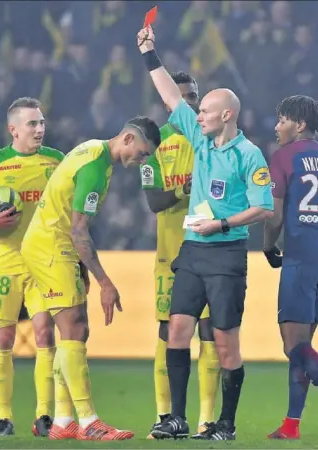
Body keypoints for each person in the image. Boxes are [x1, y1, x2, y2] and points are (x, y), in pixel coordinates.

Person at [137, 26, 274, 441]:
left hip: (227, 254)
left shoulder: (249, 155)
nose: (197, 117)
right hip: (193, 251)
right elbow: (169, 96)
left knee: (225, 343)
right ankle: (176, 419)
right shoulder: (199, 137)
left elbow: (264, 207)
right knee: (177, 330)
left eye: (205, 112)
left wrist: (223, 223)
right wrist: (149, 53)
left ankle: (225, 425)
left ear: (226, 115)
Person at [21, 117, 161, 440]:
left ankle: (62, 420)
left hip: (50, 243)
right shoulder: (97, 168)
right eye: (142, 153)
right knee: (74, 328)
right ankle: (89, 421)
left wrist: (81, 268)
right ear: (128, 138)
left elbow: (67, 210)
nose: (142, 161)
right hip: (52, 246)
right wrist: (105, 282)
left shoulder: (93, 150)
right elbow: (78, 228)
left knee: (72, 328)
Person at [0, 97, 65, 437]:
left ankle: (44, 416)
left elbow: (69, 207)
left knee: (44, 333)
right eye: (32, 124)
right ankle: (4, 417)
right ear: (13, 129)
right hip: (5, 261)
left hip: (43, 261)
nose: (39, 129)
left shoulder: (57, 161)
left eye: (41, 123)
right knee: (2, 337)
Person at [140, 71, 220, 439]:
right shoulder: (154, 146)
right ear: (168, 99)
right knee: (167, 332)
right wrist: (181, 190)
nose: (189, 102)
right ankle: (165, 414)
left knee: (209, 333)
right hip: (170, 254)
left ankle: (206, 419)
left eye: (194, 97)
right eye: (183, 96)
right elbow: (154, 201)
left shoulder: (212, 139)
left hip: (208, 252)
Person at [264, 95, 318, 440]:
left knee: (293, 346)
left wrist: (269, 246)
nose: (276, 126)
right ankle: (290, 424)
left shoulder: (285, 156)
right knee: (304, 347)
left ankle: (290, 425)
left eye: (282, 119)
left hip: (302, 259)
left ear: (300, 125)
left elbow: (274, 215)